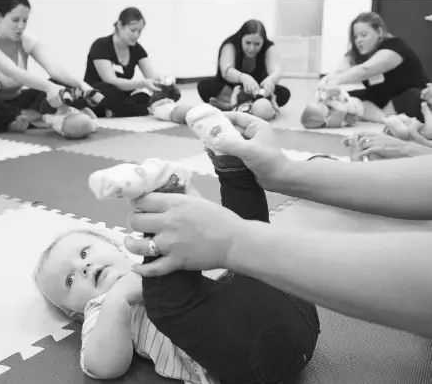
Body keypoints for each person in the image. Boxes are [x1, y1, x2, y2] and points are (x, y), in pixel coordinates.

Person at [33, 107, 320, 383]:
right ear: (75, 313)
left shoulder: (140, 264)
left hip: (282, 295)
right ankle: (164, 196)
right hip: (245, 356)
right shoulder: (100, 310)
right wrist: (117, 300)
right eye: (69, 279)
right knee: (166, 292)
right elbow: (102, 367)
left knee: (246, 238)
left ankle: (231, 165)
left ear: (116, 247)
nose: (83, 267)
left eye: (85, 252)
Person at [124, 110, 432, 339]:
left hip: (273, 327)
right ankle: (235, 169)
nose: (83, 268)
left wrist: (230, 241)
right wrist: (282, 171)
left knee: (168, 304)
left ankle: (207, 181)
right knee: (242, 257)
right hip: (296, 293)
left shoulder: (111, 303)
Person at [0, 0, 103, 134]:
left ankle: (23, 119)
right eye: (15, 20)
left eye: (25, 20)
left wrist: (83, 86)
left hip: (14, 102)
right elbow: (12, 71)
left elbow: (53, 68)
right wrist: (48, 88)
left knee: (56, 83)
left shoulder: (26, 39)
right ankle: (27, 118)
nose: (21, 26)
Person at [320, 12, 429, 125]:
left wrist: (336, 80)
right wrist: (328, 82)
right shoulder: (358, 53)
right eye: (355, 37)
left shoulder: (395, 46)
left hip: (413, 97)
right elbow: (341, 70)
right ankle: (386, 118)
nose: (358, 40)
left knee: (413, 97)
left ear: (379, 32)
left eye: (363, 35)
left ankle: (385, 116)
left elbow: (366, 69)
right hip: (382, 96)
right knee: (344, 98)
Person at [83, 7, 181, 118]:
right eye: (132, 30)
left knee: (158, 94)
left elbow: (151, 76)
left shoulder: (137, 49)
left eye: (139, 31)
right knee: (109, 90)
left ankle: (115, 111)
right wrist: (141, 84)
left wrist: (165, 81)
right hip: (99, 92)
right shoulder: (101, 45)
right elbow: (110, 80)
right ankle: (140, 108)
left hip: (122, 94)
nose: (136, 35)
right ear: (120, 25)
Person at [197, 19, 291, 121]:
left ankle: (234, 105)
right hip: (232, 89)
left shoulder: (269, 47)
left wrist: (271, 80)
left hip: (257, 90)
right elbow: (226, 71)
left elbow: (276, 71)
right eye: (248, 43)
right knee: (205, 86)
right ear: (241, 38)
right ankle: (253, 105)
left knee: (284, 93)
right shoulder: (230, 44)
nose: (251, 48)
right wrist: (243, 78)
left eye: (257, 44)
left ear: (263, 42)